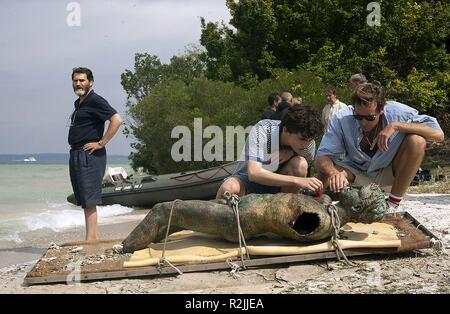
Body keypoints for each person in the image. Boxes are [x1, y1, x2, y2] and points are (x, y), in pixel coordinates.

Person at [124, 184, 387, 253]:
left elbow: (302, 229)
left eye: (357, 192)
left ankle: (125, 248)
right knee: (178, 221)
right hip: (238, 209)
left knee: (165, 210)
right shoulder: (331, 212)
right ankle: (145, 243)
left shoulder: (320, 220)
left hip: (235, 220)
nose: (351, 189)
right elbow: (329, 202)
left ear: (360, 209)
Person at [314, 82, 444, 209]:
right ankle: (315, 206)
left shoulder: (397, 112)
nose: (363, 123)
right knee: (325, 171)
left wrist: (396, 126)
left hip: (388, 171)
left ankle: (393, 203)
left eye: (370, 118)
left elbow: (438, 134)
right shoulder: (341, 118)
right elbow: (321, 157)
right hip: (355, 171)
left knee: (417, 141)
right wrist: (334, 173)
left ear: (381, 109)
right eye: (358, 117)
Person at [216, 105, 324, 199]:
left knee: (300, 164)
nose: (306, 145)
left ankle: (285, 214)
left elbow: (304, 167)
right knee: (228, 187)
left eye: (310, 140)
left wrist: (291, 152)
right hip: (248, 182)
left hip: (280, 185)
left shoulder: (309, 142)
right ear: (286, 130)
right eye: (302, 139)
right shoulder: (263, 130)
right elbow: (254, 173)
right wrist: (297, 180)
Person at [68, 67, 123, 240]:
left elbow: (117, 119)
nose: (78, 83)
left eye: (82, 80)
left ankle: (91, 240)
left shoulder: (95, 100)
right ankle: (91, 238)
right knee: (84, 199)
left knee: (90, 199)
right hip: (76, 153)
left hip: (89, 154)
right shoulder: (79, 103)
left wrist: (101, 143)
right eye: (75, 80)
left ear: (90, 82)